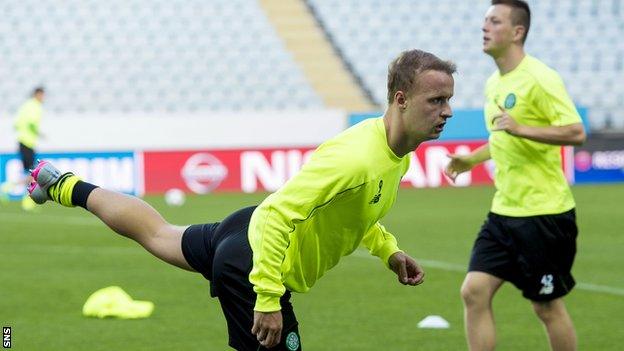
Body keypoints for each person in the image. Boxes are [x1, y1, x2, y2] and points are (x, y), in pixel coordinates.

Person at [28, 49, 456, 350]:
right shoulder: (357, 157)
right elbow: (283, 216)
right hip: (254, 261)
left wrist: (388, 251)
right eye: (436, 100)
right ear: (401, 100)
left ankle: (64, 185)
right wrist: (267, 299)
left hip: (246, 229)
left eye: (449, 100)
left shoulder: (394, 153)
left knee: (158, 233)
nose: (447, 111)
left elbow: (358, 210)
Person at [445, 1, 586, 351]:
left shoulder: (541, 78)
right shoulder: (494, 83)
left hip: (544, 214)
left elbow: (574, 132)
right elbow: (502, 137)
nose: (485, 27)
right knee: (473, 292)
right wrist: (471, 160)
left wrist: (522, 128)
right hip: (504, 213)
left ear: (517, 32)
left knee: (546, 306)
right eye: (485, 20)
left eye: (494, 21)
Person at [0, 86, 46, 210]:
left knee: (30, 172)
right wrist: (39, 133)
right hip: (28, 142)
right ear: (37, 94)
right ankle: (27, 200)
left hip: (22, 141)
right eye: (42, 95)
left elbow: (16, 124)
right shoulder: (35, 107)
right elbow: (31, 123)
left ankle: (8, 187)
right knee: (32, 173)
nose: (43, 98)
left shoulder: (25, 106)